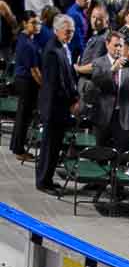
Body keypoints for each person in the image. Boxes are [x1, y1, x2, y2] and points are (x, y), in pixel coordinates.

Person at [35, 13, 78, 193]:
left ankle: (48, 178)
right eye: (67, 31)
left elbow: (68, 76)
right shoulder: (53, 50)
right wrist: (71, 100)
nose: (70, 35)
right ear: (57, 30)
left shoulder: (61, 47)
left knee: (55, 147)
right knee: (49, 147)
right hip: (54, 107)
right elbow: (56, 84)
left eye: (72, 31)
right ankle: (43, 181)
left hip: (59, 107)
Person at [90, 31, 129, 153]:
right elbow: (95, 88)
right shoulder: (98, 63)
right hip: (103, 116)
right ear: (107, 44)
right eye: (116, 45)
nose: (119, 48)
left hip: (124, 117)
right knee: (101, 156)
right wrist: (112, 70)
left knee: (122, 158)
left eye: (121, 46)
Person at [10, 12, 41, 162]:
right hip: (26, 82)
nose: (37, 26)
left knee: (22, 116)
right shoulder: (27, 44)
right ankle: (19, 149)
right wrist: (43, 85)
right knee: (24, 117)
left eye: (38, 23)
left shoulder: (25, 39)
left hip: (22, 80)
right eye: (33, 23)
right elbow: (34, 70)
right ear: (24, 24)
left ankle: (16, 146)